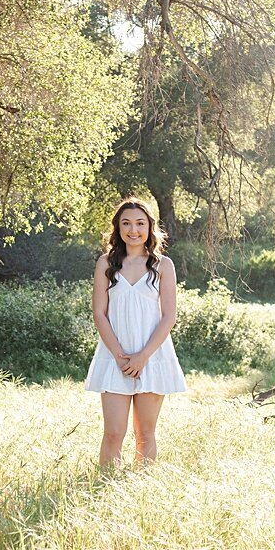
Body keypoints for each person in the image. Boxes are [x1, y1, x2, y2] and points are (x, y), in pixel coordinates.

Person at [84, 197, 187, 466]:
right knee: (114, 433)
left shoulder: (163, 266)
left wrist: (142, 357)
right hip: (114, 357)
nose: (133, 230)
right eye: (126, 223)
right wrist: (120, 356)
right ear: (117, 228)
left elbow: (169, 317)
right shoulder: (106, 263)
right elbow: (99, 314)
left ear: (150, 227)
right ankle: (104, 488)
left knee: (145, 434)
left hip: (152, 357)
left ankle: (140, 490)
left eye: (140, 223)